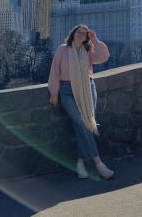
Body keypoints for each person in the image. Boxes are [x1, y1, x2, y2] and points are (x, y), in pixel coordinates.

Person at [48, 24, 114, 180]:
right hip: (67, 91)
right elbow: (54, 70)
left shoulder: (89, 51)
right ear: (73, 33)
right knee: (83, 123)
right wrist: (54, 92)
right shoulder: (62, 49)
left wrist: (95, 39)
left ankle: (80, 163)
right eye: (79, 32)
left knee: (83, 125)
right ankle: (98, 163)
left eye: (84, 34)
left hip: (88, 89)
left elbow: (104, 56)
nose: (81, 35)